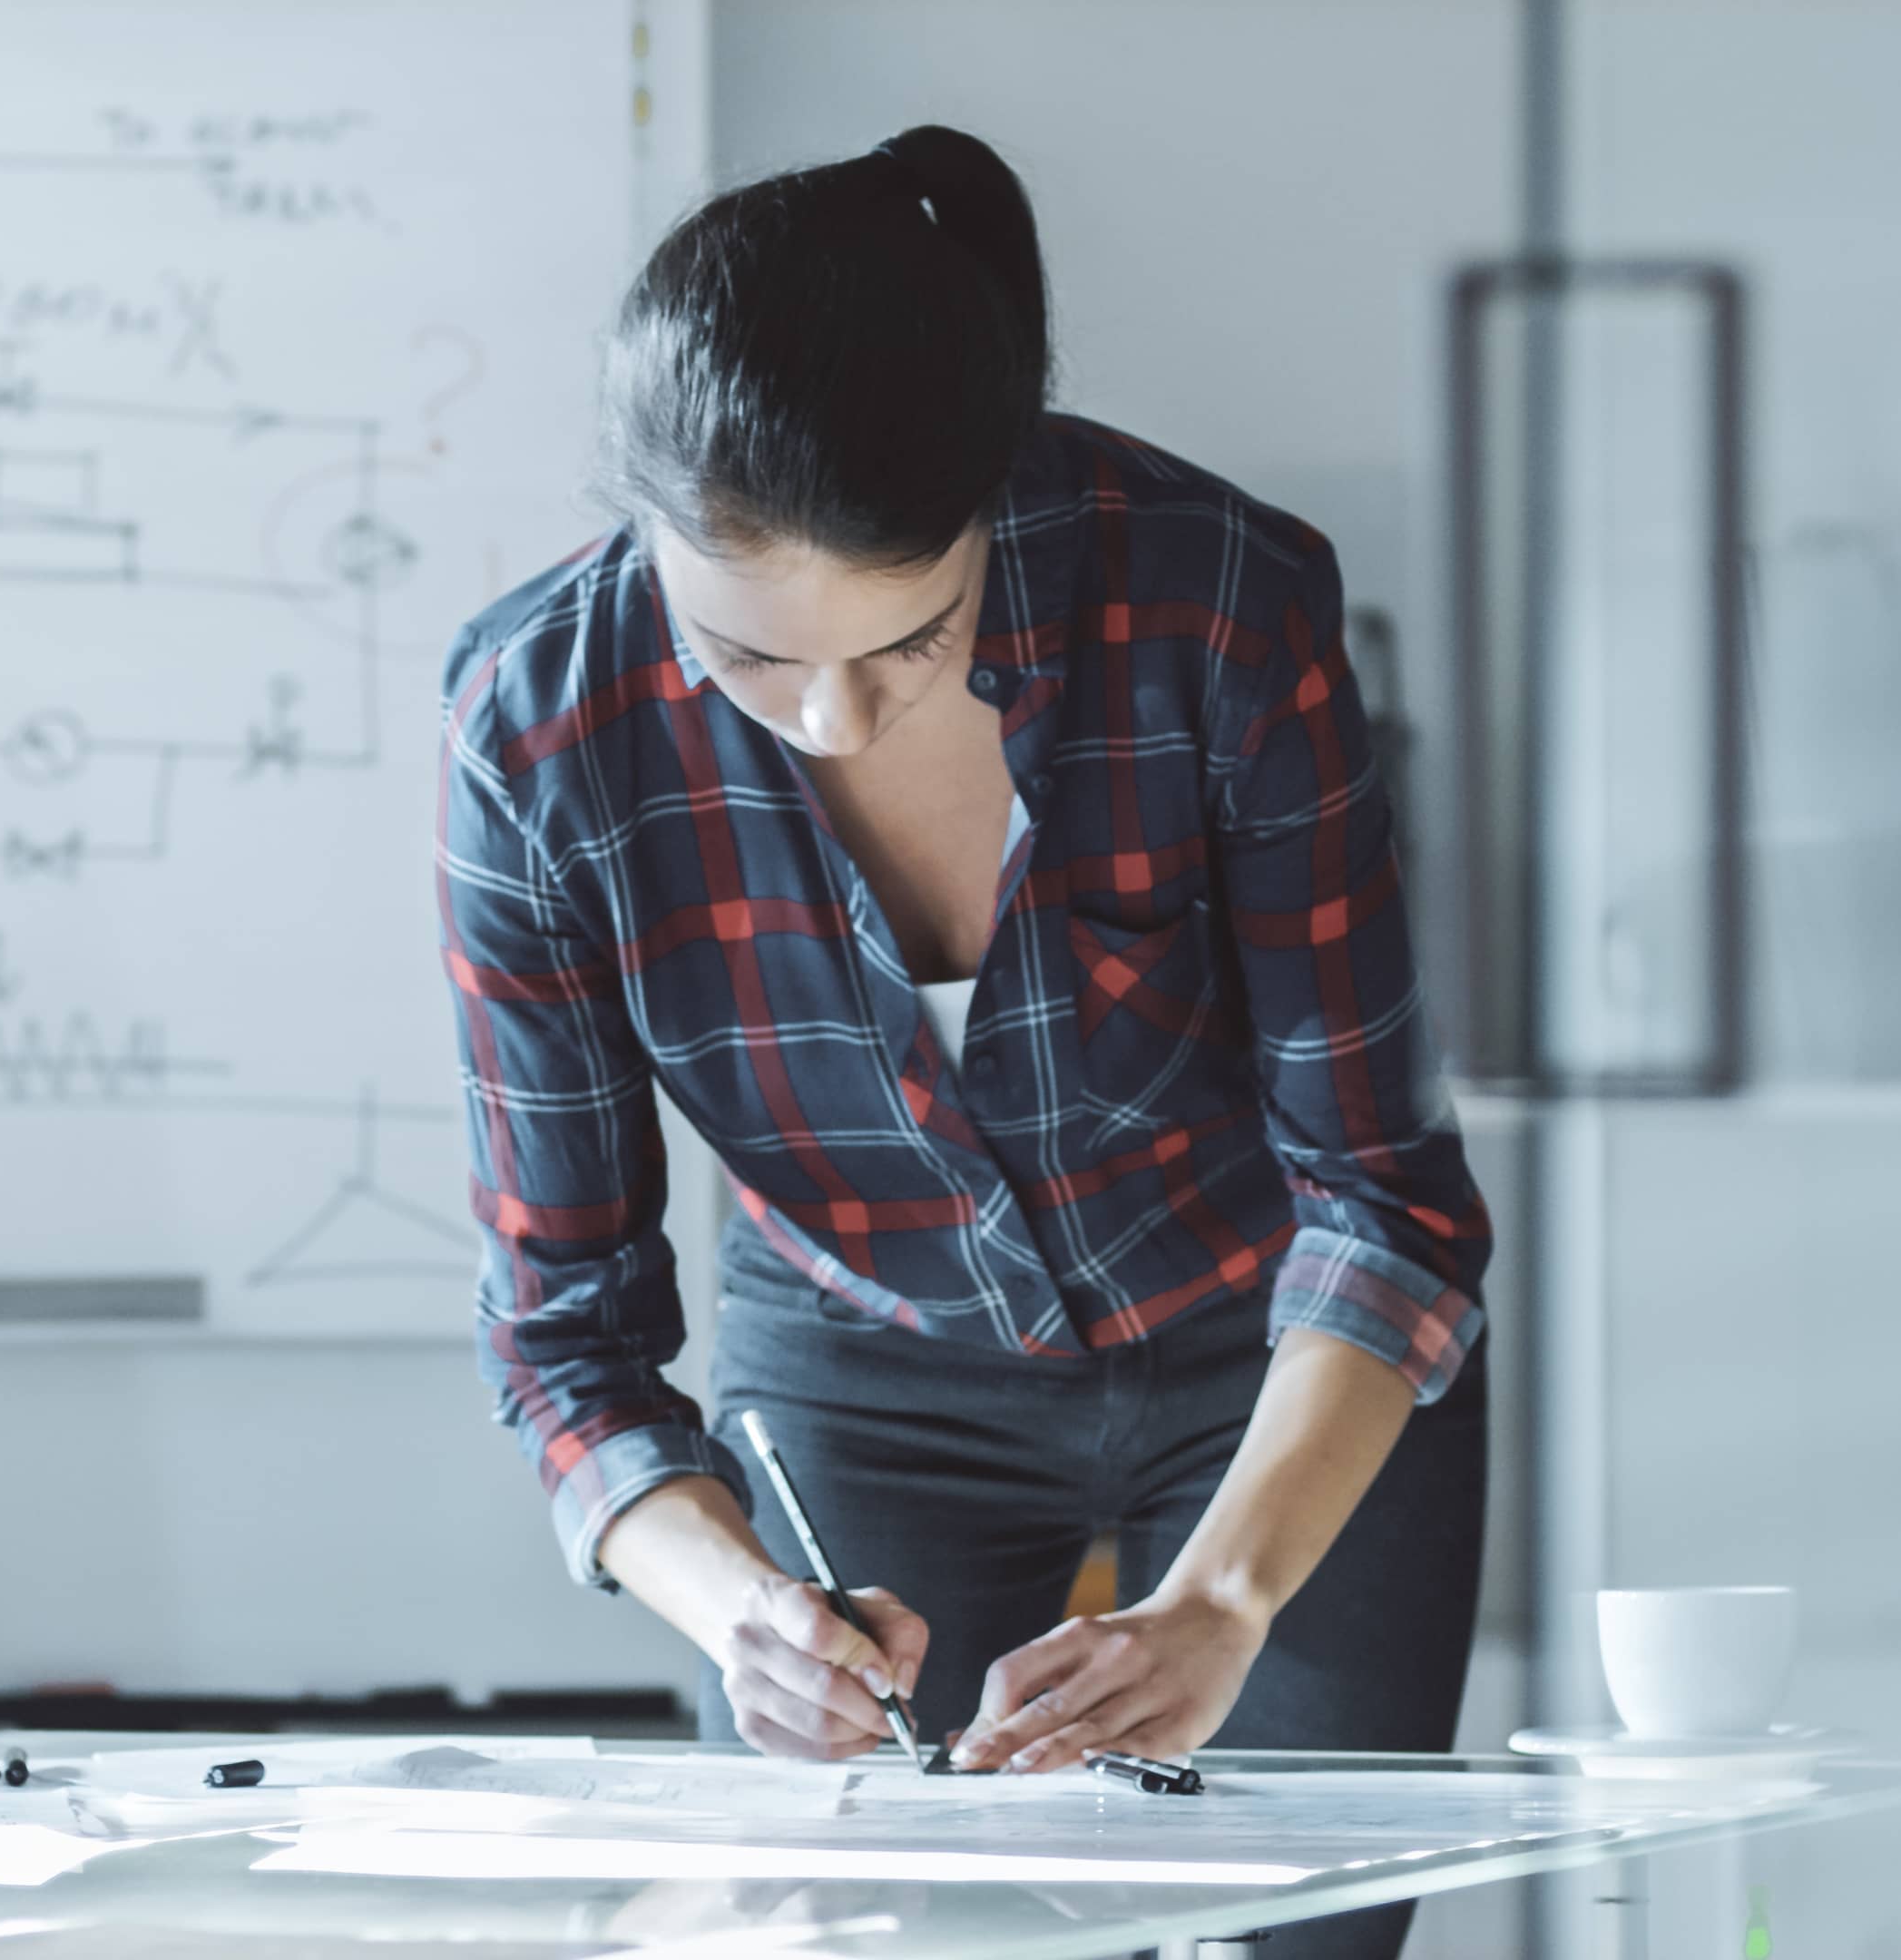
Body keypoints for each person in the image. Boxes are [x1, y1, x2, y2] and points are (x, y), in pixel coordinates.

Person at [434, 125, 1490, 1959]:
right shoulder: (536, 735)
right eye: (751, 664)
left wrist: (1223, 1600)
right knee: (862, 1928)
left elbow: (1384, 1200)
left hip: (1278, 1364)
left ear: (990, 501)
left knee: (1301, 1933)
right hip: (860, 1372)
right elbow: (564, 1340)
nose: (833, 721)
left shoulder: (1218, 604)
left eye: (907, 643)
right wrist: (738, 1609)